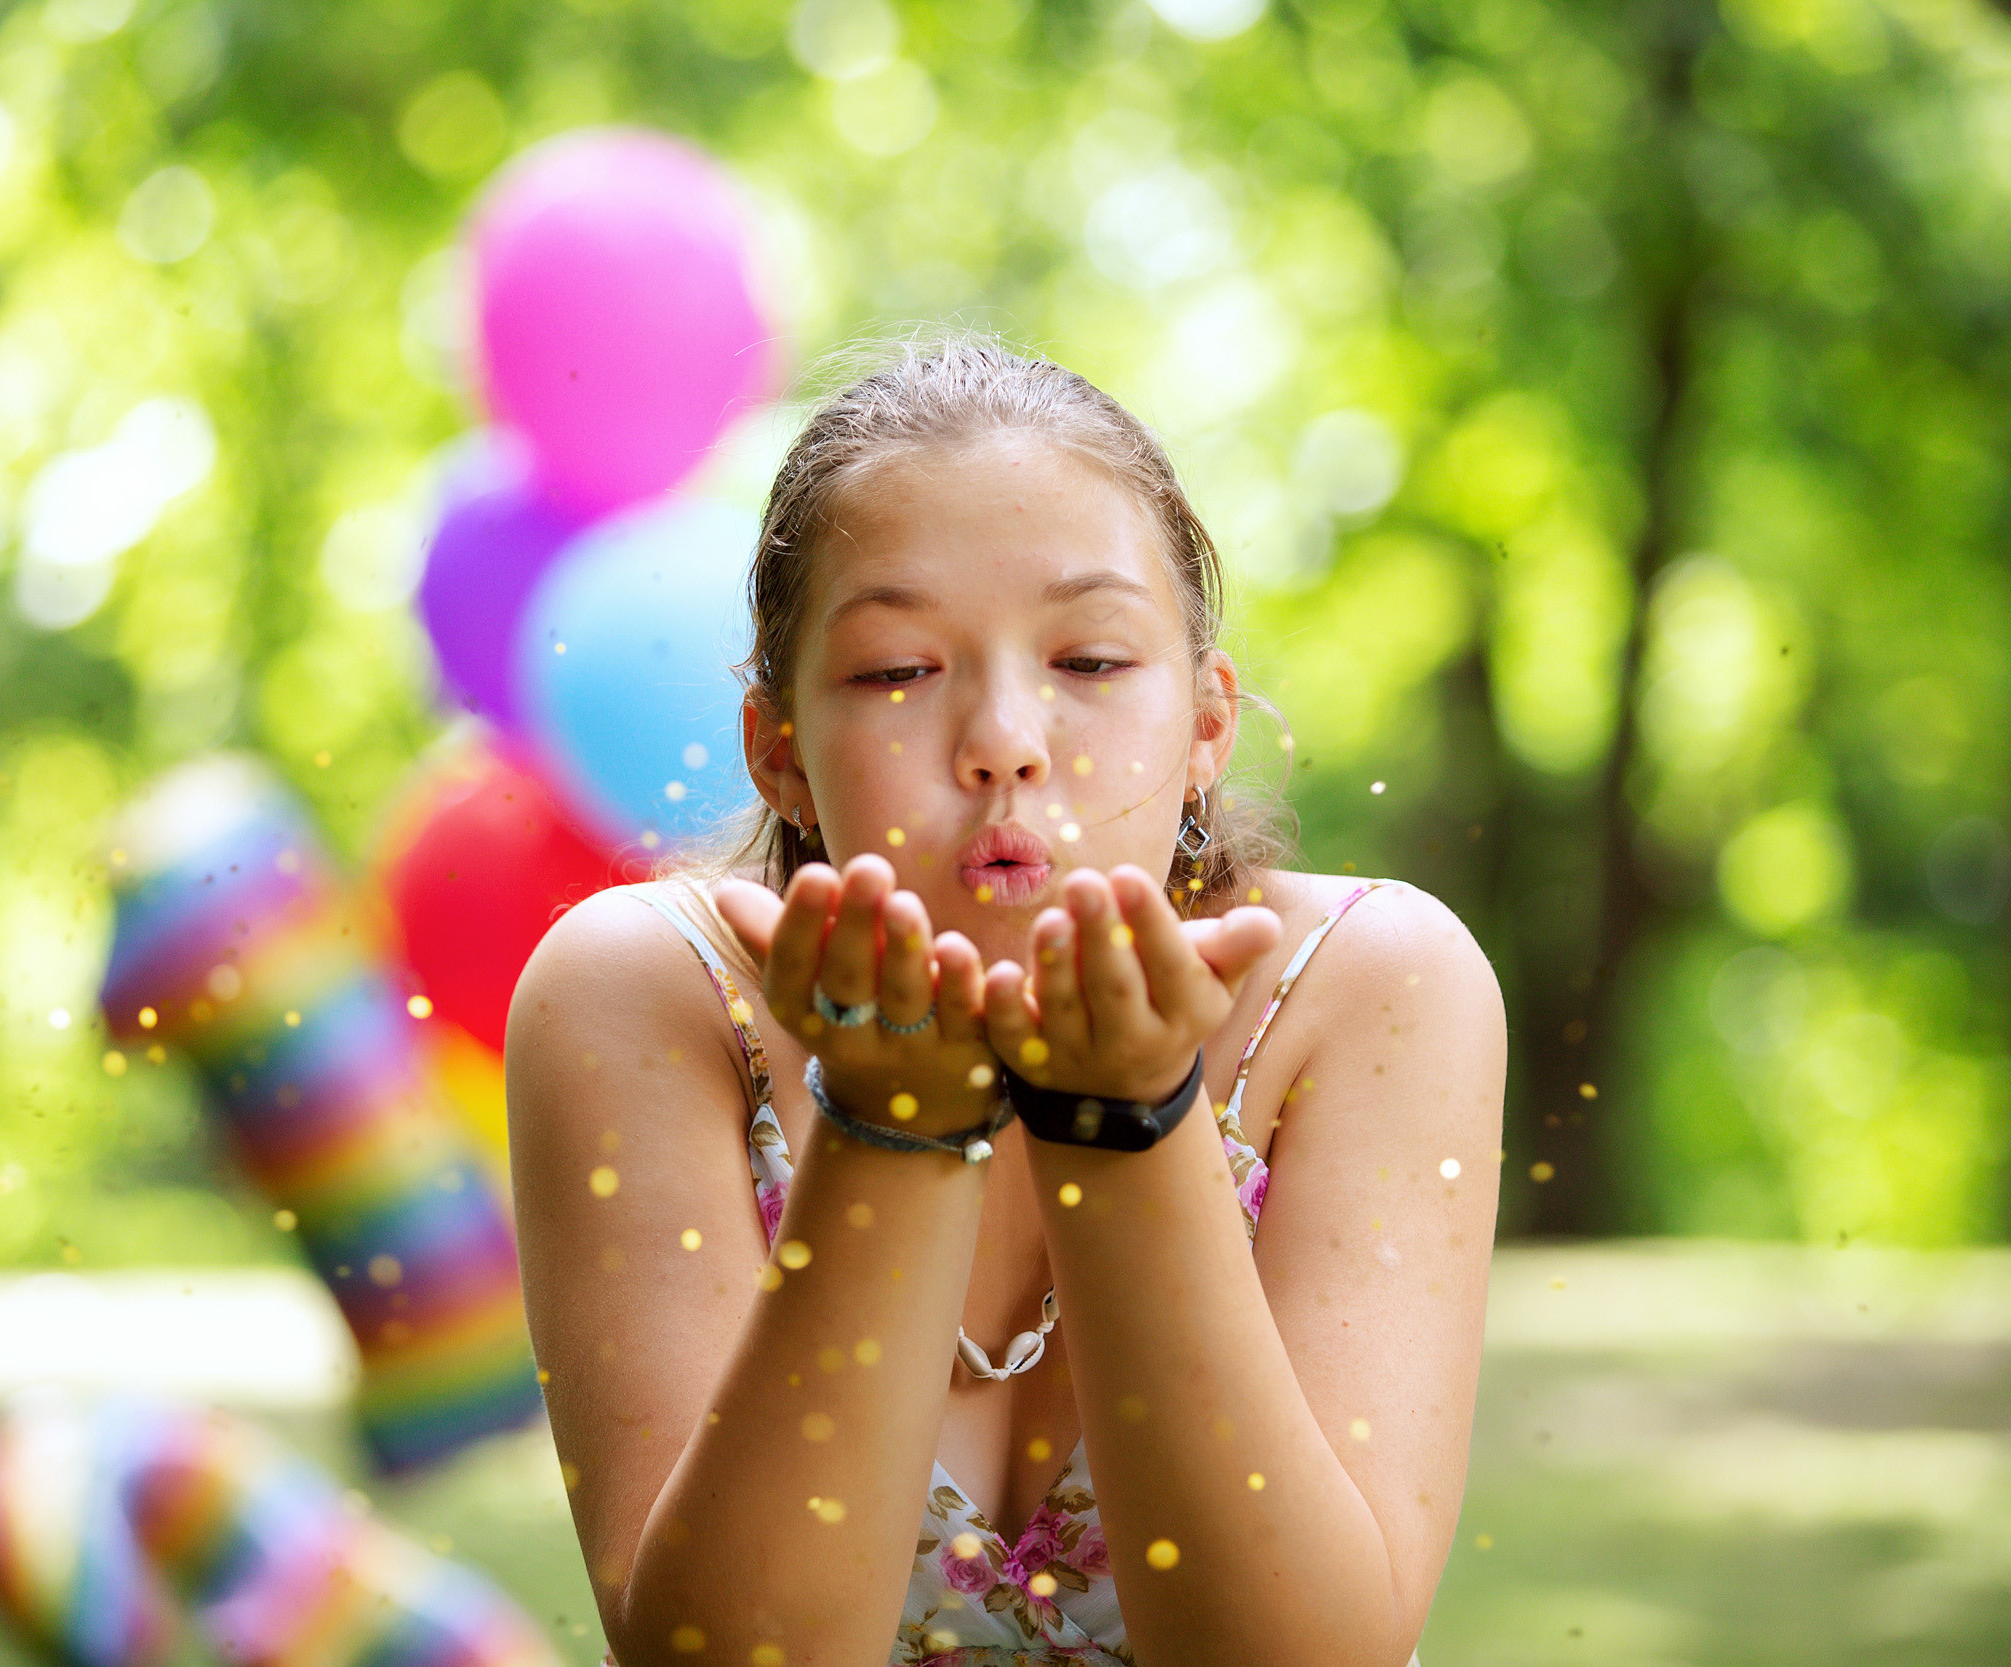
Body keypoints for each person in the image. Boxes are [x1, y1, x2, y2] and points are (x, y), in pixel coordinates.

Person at [504, 336, 1505, 1667]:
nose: (1004, 740)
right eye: (895, 672)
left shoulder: (1374, 991)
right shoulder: (645, 996)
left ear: (1208, 728)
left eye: (1091, 662)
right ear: (778, 751)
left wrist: (1129, 1122)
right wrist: (891, 1132)